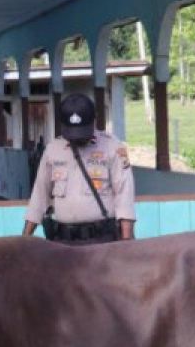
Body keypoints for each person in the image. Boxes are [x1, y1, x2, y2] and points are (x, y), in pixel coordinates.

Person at [22, 93, 136, 243]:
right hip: (62, 242)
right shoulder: (52, 150)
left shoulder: (112, 147)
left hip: (101, 240)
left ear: (94, 121)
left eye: (82, 132)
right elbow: (39, 196)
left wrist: (126, 240)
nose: (78, 138)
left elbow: (124, 196)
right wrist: (23, 240)